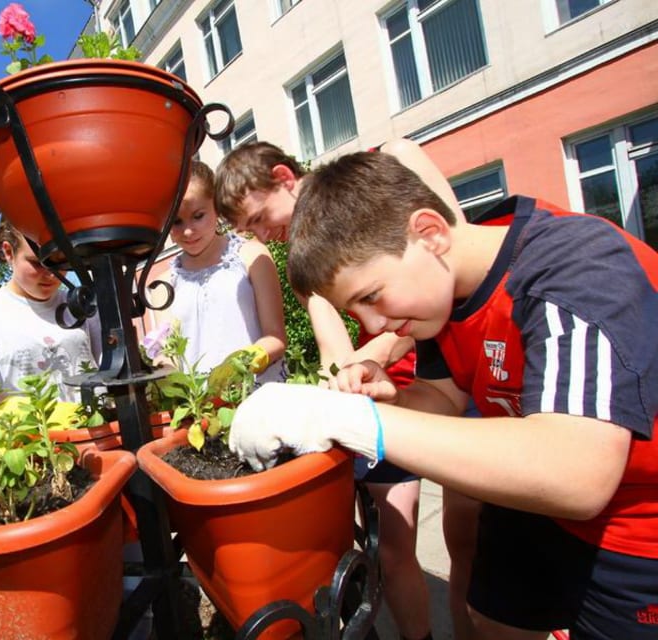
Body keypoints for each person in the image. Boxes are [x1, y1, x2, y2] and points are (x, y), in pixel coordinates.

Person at [228, 151, 658, 640]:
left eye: (370, 297)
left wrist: (343, 419)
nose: (374, 326)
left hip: (635, 531)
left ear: (430, 233)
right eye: (356, 311)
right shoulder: (442, 298)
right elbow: (442, 396)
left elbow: (577, 473)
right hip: (532, 505)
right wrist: (385, 401)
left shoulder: (574, 267)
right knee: (491, 621)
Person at [215, 139, 465, 640]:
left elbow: (451, 275)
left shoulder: (386, 165)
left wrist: (374, 355)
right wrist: (341, 384)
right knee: (391, 548)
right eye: (249, 231)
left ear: (284, 177)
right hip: (392, 401)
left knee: (467, 535)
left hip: (454, 377)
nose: (263, 235)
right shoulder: (304, 265)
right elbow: (336, 351)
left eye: (259, 218)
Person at [0, 218, 102, 407]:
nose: (52, 274)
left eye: (60, 261)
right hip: (28, 427)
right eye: (38, 262)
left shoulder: (84, 304)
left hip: (102, 423)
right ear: (8, 252)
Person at [154, 160, 286, 384]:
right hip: (199, 403)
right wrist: (165, 379)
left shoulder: (252, 256)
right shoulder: (162, 286)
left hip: (259, 394)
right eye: (176, 222)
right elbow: (165, 354)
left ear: (216, 206)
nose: (188, 231)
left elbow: (276, 336)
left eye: (198, 216)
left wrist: (240, 365)